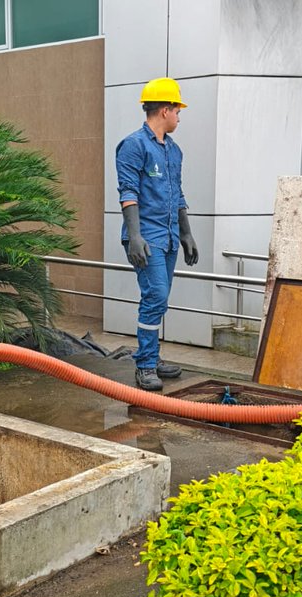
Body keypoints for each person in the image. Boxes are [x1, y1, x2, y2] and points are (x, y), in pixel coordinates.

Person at [115, 77, 199, 390]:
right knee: (155, 295)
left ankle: (153, 356)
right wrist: (135, 237)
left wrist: (186, 233)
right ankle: (146, 364)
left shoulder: (174, 151)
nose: (179, 116)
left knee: (160, 300)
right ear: (164, 110)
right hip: (146, 236)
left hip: (169, 237)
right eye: (178, 110)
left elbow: (177, 194)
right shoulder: (133, 145)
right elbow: (128, 192)